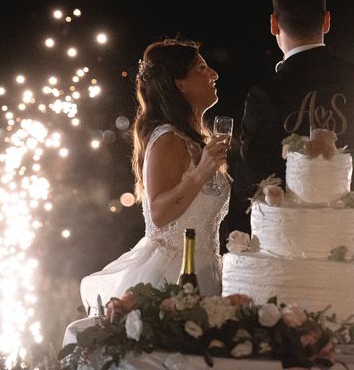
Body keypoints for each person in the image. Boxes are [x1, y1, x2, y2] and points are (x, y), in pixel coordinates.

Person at [62, 37, 230, 345]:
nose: (214, 75)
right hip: (173, 280)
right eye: (202, 69)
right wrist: (203, 171)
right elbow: (160, 212)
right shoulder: (169, 139)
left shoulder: (194, 141)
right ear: (179, 84)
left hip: (207, 273)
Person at [231, 0, 354, 233]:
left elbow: (252, 178)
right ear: (326, 21)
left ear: (273, 24)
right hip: (352, 234)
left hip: (290, 242)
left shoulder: (265, 94)